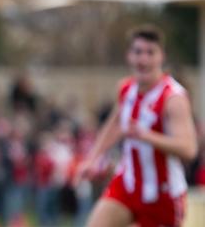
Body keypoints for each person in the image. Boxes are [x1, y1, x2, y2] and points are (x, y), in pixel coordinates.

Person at [75, 24, 198, 227]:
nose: (143, 59)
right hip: (128, 185)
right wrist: (92, 159)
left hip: (163, 194)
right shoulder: (126, 89)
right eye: (138, 52)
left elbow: (189, 149)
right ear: (129, 56)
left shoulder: (173, 98)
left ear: (162, 57)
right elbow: (114, 125)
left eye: (150, 53)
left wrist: (147, 136)